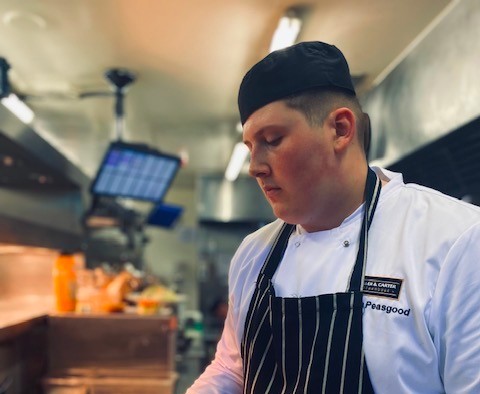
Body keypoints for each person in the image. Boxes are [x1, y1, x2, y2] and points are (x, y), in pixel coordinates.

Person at [186, 41, 480, 393]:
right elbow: (232, 369)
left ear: (340, 129)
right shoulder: (254, 253)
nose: (254, 168)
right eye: (250, 147)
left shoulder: (456, 241)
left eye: (272, 139)